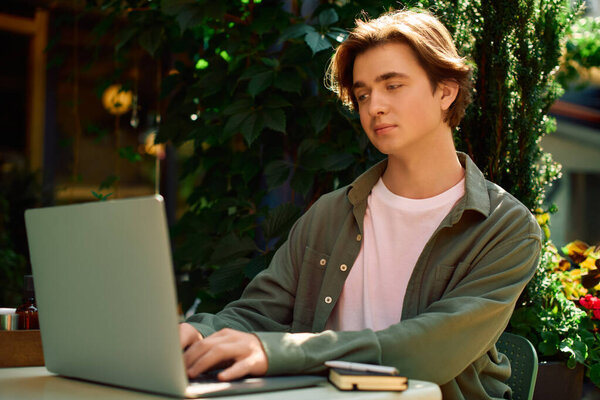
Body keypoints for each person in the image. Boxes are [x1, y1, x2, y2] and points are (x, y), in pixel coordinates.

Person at [179, 9, 542, 400]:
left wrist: (286, 352)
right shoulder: (331, 212)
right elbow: (259, 313)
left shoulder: (506, 227)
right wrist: (199, 332)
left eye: (393, 85)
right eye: (364, 93)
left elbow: (428, 350)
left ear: (445, 90)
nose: (374, 107)